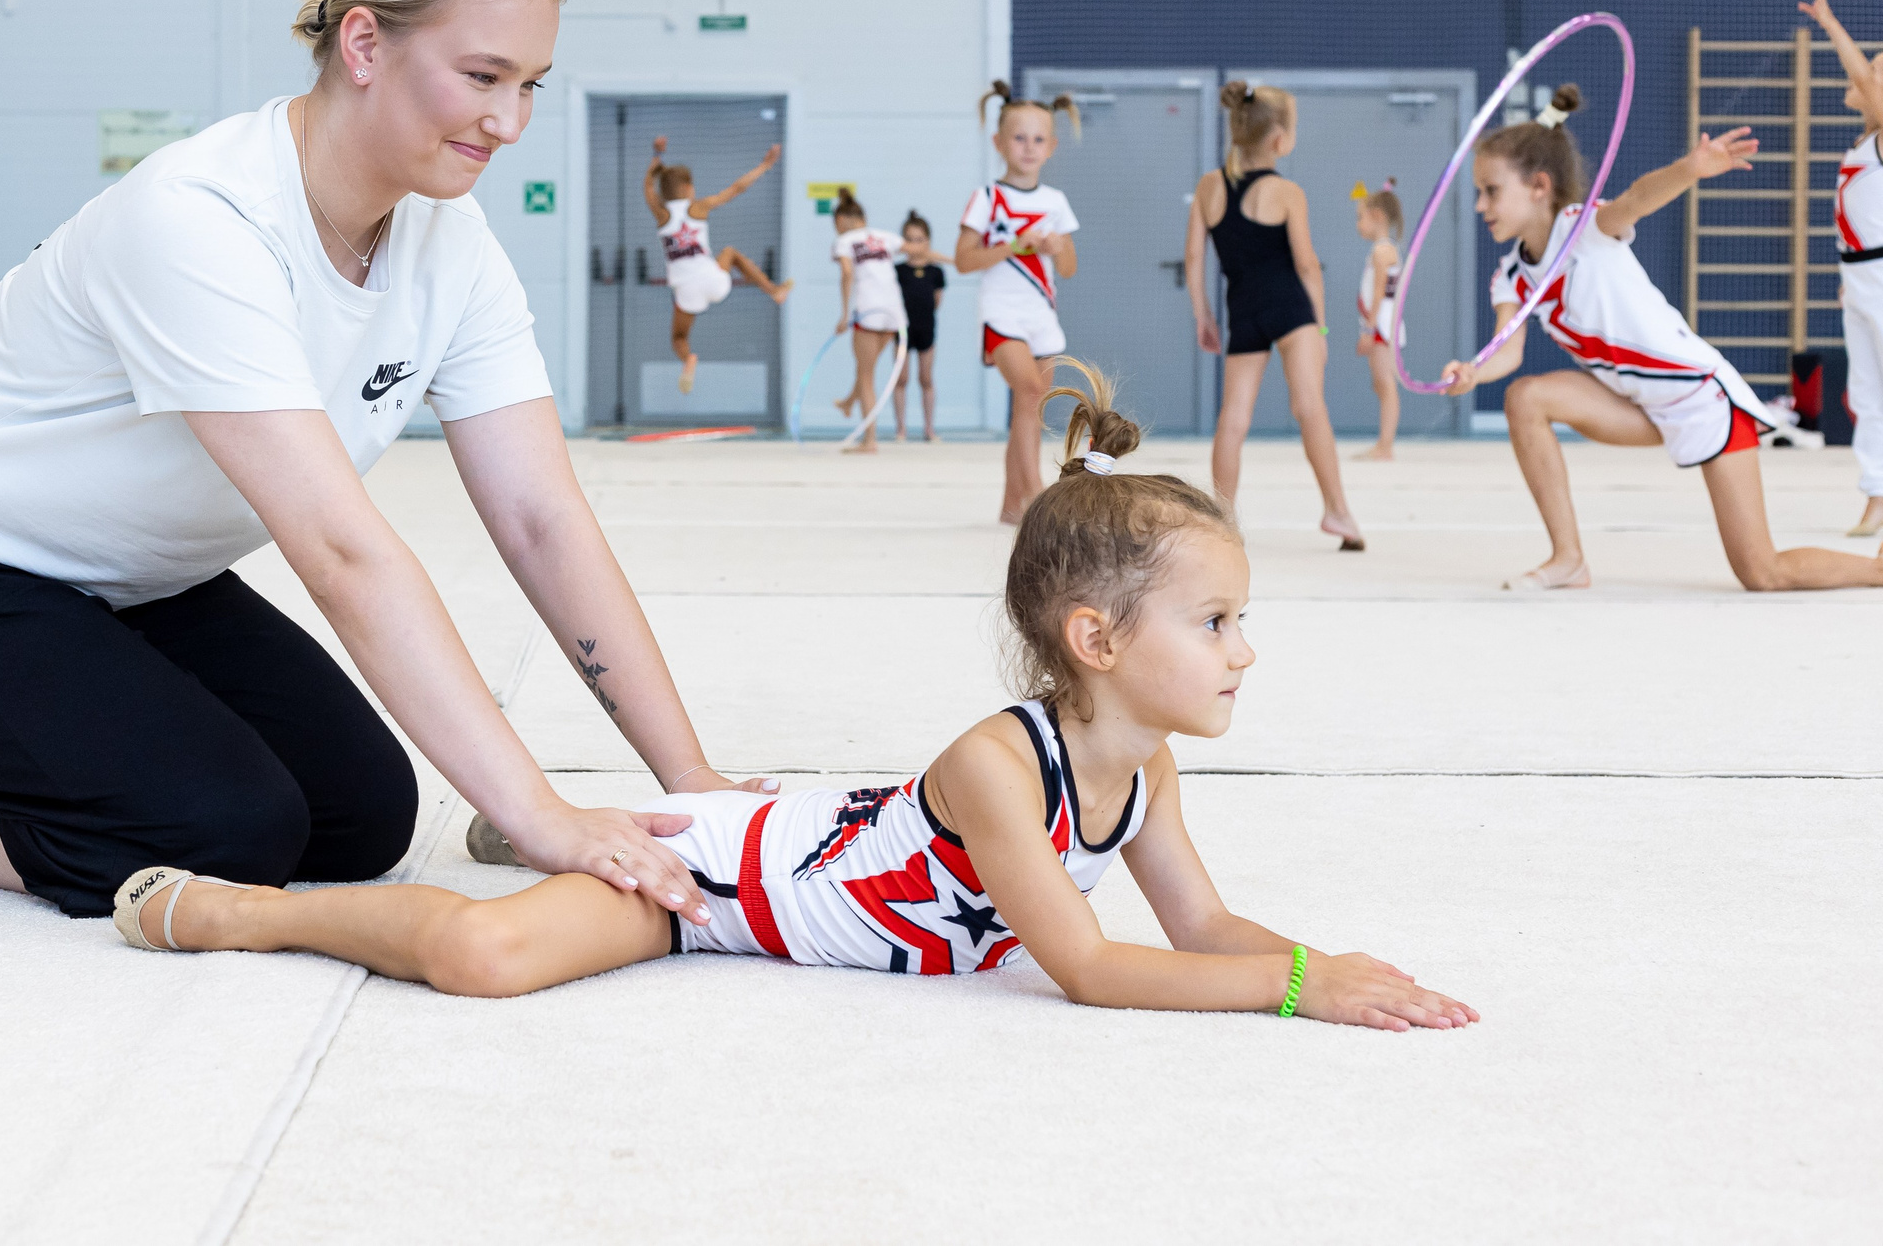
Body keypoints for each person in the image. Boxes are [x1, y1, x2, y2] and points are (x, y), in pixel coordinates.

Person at [0, 0, 775, 931]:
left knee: (360, 818)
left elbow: (541, 517)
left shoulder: (451, 246)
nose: (509, 120)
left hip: (121, 582)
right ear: (363, 44)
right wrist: (534, 815)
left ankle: (43, 745)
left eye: (531, 84)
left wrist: (688, 780)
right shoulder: (202, 219)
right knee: (222, 830)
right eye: (483, 76)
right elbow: (340, 552)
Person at [112, 363, 1478, 1036]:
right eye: (1219, 619)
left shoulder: (1146, 771)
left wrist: (1342, 967)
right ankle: (242, 908)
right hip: (717, 884)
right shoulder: (1004, 765)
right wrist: (1296, 989)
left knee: (540, 919)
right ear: (1095, 636)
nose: (1247, 647)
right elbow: (1097, 968)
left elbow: (1201, 924)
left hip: (778, 842)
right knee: (488, 960)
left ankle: (583, 820)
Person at [1441, 84, 1883, 592]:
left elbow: (1636, 199)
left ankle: (1877, 569)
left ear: (1539, 186)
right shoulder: (1511, 275)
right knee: (1525, 397)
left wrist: (1690, 169)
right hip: (1638, 407)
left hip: (1702, 399)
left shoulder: (1582, 228)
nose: (1479, 205)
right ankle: (1568, 559)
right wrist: (1473, 371)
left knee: (1763, 573)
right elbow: (1506, 350)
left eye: (1491, 191)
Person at [1184, 81, 1365, 551]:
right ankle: (1337, 512)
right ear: (1281, 139)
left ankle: (1222, 520)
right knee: (1309, 407)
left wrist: (1203, 315)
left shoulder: (1208, 187)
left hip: (1242, 310)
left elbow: (1193, 259)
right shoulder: (1287, 192)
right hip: (1291, 310)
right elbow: (1306, 265)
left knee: (1233, 418)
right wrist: (1320, 328)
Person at [956, 92, 1081, 522]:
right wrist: (1012, 246)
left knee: (1030, 409)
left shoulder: (1055, 202)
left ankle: (1012, 506)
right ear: (999, 142)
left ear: (1051, 147)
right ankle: (1038, 498)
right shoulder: (987, 198)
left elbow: (1068, 268)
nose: (1029, 148)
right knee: (1028, 392)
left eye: (1038, 139)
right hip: (1001, 312)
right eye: (1019, 138)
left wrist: (1055, 245)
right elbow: (963, 259)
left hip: (1041, 314)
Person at [1796, 0, 1883, 539]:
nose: (1865, 76)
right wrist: (1849, 279)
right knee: (1867, 394)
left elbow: (1863, 80)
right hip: (1861, 277)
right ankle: (1877, 496)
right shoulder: (1863, 143)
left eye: (1875, 71)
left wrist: (1830, 24)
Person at [646, 136, 791, 395]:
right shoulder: (698, 207)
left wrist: (655, 159)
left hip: (686, 289)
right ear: (689, 188)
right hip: (713, 280)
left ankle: (689, 359)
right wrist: (764, 166)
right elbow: (736, 188)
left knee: (679, 338)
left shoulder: (662, 214)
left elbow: (648, 190)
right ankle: (773, 291)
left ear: (664, 192)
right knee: (731, 253)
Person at [826, 190, 903, 453]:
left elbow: (847, 272)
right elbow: (919, 250)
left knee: (866, 374)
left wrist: (844, 313)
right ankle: (849, 402)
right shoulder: (885, 237)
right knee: (867, 368)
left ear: (842, 220)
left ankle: (869, 441)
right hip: (893, 313)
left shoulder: (844, 240)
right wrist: (953, 260)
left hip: (868, 310)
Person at [1351, 180, 1406, 462]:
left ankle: (1385, 446)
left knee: (1385, 384)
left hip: (1382, 326)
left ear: (1378, 217)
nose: (1358, 224)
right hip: (1382, 325)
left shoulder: (1382, 251)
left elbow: (1378, 293)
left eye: (1361, 217)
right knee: (1381, 384)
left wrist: (1368, 329)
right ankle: (1384, 444)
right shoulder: (1384, 249)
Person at [889, 210, 951, 442]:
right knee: (901, 379)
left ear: (928, 241)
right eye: (910, 240)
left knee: (926, 378)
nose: (915, 245)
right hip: (902, 331)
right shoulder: (897, 271)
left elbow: (936, 302)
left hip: (926, 328)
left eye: (920, 239)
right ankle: (901, 429)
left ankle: (929, 429)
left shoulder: (936, 272)